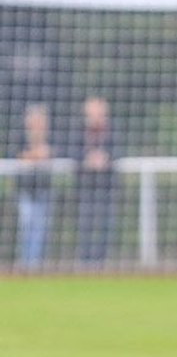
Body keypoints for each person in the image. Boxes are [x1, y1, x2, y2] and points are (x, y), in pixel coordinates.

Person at [75, 96, 119, 265]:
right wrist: (87, 160)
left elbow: (119, 151)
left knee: (105, 224)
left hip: (107, 185)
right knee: (85, 223)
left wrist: (105, 158)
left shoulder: (113, 130)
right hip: (85, 186)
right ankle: (84, 261)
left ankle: (101, 262)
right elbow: (72, 152)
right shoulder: (78, 130)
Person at [15, 102, 54, 270]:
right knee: (26, 228)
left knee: (40, 229)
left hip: (44, 190)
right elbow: (17, 156)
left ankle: (35, 265)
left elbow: (52, 154)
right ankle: (25, 263)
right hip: (26, 191)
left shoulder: (51, 137)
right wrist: (33, 155)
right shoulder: (19, 137)